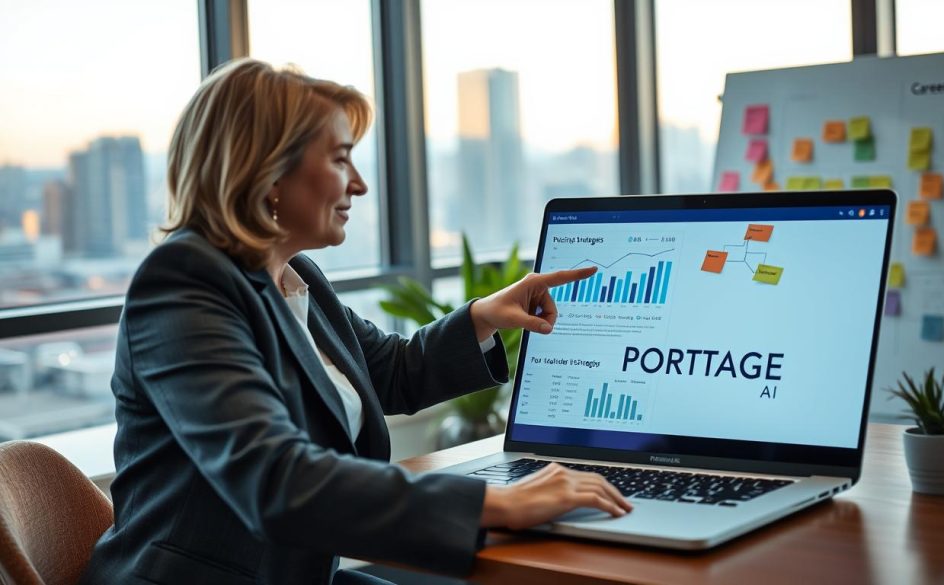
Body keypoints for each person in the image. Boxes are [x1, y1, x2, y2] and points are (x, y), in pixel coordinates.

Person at [80, 58, 631, 585]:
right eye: (341, 158)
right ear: (269, 170)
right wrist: (498, 502)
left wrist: (484, 317)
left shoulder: (296, 277)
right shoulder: (182, 283)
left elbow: (388, 371)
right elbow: (274, 478)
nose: (360, 184)